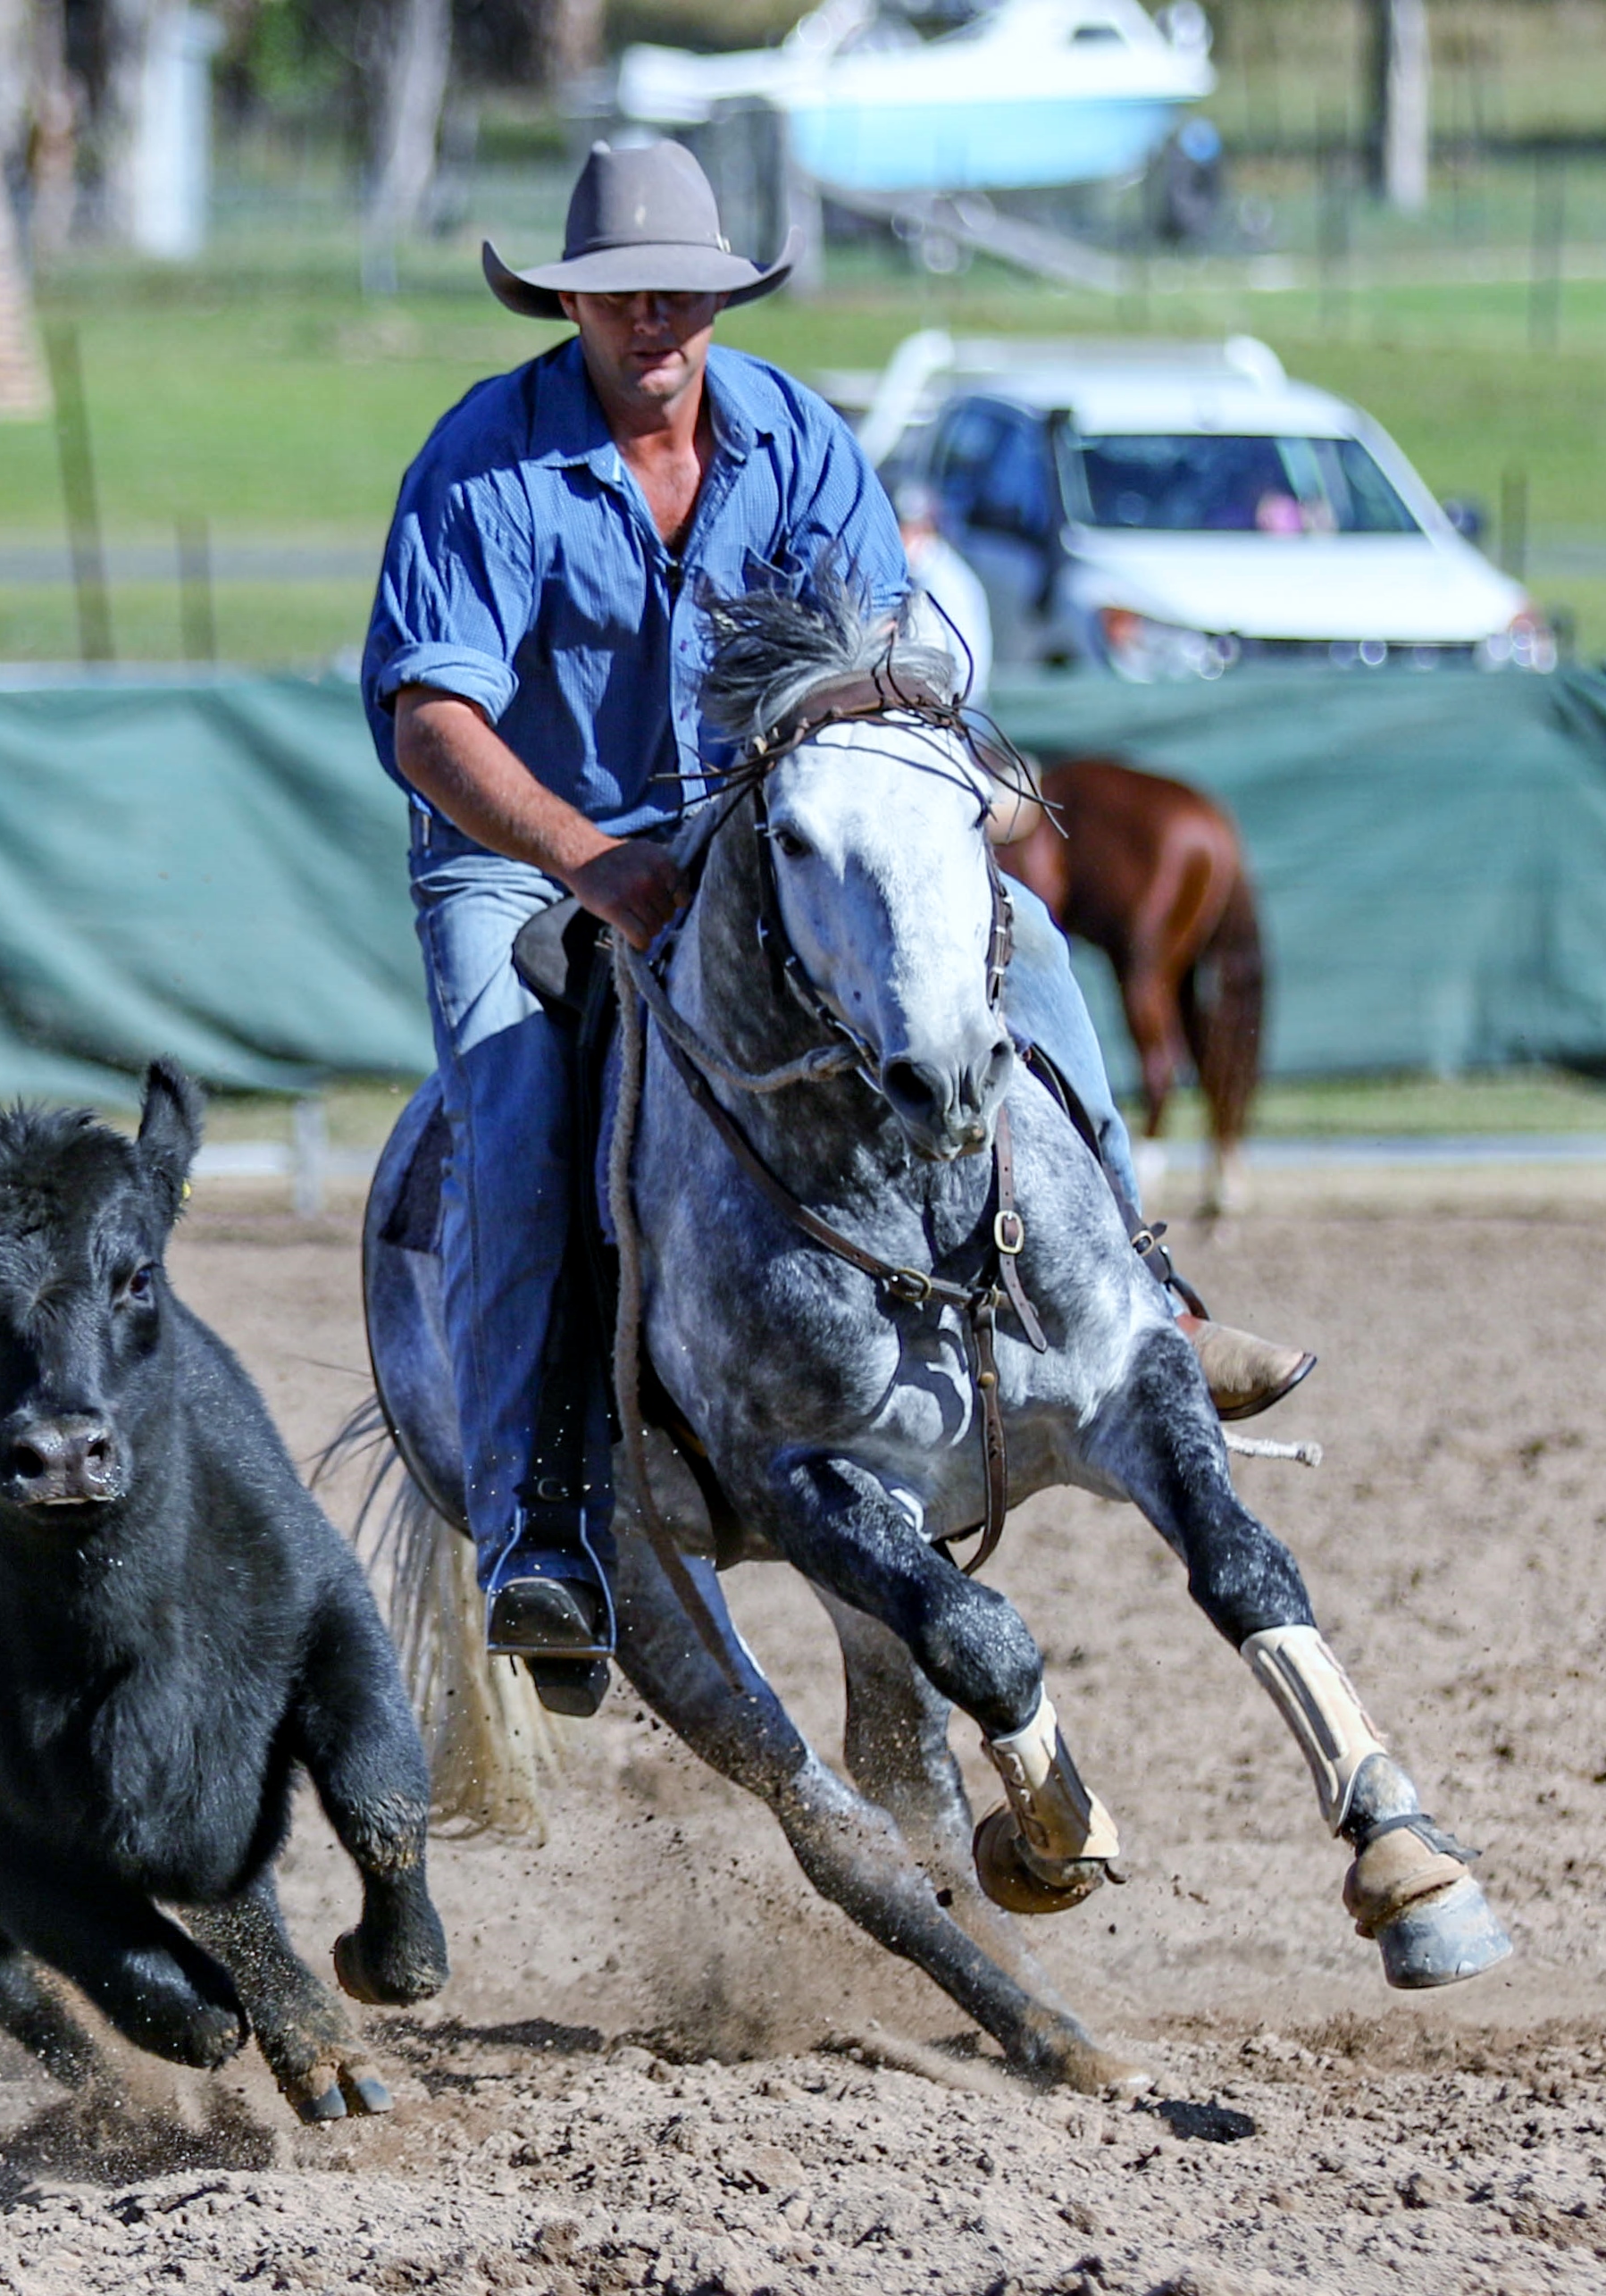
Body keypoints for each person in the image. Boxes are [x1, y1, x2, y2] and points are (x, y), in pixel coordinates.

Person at [361, 141, 1310, 1713]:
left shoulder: (797, 441)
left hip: (752, 833)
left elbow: (885, 660)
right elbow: (429, 722)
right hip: (518, 859)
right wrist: (594, 861)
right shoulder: (484, 463)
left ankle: (1140, 1297)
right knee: (518, 1105)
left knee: (1026, 941)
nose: (653, 318)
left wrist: (917, 788)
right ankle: (542, 1521)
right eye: (621, 294)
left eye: (681, 293)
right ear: (570, 304)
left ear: (719, 301)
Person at [895, 476, 994, 692]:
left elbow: (963, 668)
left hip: (956, 701)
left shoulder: (945, 581)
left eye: (913, 529)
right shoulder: (917, 573)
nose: (904, 537)